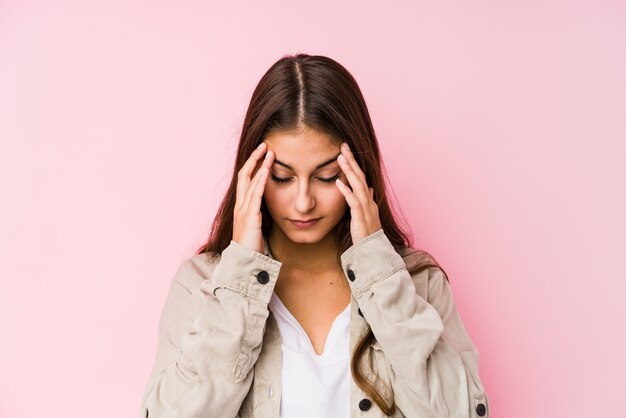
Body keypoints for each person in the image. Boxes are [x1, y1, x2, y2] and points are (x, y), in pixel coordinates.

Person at [140, 53, 490, 418]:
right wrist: (240, 276)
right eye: (282, 177)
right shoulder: (202, 284)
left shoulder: (417, 282)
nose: (304, 202)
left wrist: (379, 270)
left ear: (359, 171)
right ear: (251, 174)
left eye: (325, 177)